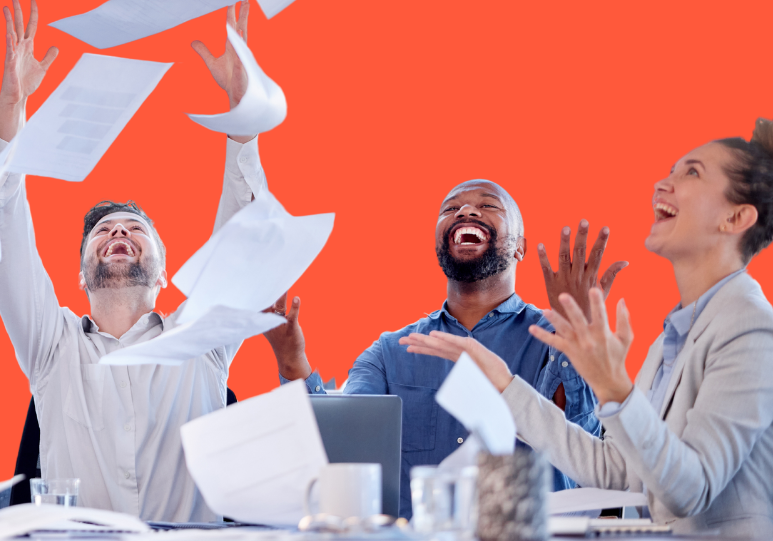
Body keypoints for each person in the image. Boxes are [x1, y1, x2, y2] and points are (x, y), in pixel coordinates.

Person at [0, 0, 309, 522]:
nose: (117, 233)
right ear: (81, 273)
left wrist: (243, 116)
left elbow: (241, 236)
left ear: (162, 271)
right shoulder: (52, 345)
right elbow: (6, 234)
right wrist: (12, 113)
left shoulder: (201, 336)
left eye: (135, 229)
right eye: (103, 232)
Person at [402, 119, 773, 536]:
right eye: (670, 169)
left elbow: (690, 490)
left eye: (691, 172)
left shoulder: (751, 327)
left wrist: (616, 388)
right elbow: (615, 470)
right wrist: (505, 383)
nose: (662, 184)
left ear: (736, 217)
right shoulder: (672, 337)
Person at [299, 179, 620, 518]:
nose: (466, 211)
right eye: (450, 209)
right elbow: (340, 451)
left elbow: (584, 446)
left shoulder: (555, 339)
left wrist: (576, 338)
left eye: (489, 205)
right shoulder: (389, 353)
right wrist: (294, 365)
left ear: (519, 247)